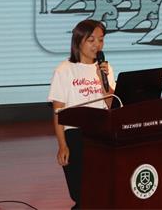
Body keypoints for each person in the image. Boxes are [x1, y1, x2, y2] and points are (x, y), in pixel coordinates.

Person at [48, 19, 115, 209]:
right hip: (75, 133)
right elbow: (58, 112)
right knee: (82, 192)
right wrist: (62, 145)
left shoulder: (105, 68)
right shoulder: (64, 70)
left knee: (104, 187)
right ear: (78, 41)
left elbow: (112, 104)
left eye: (101, 40)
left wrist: (103, 82)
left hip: (101, 131)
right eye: (91, 40)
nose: (97, 45)